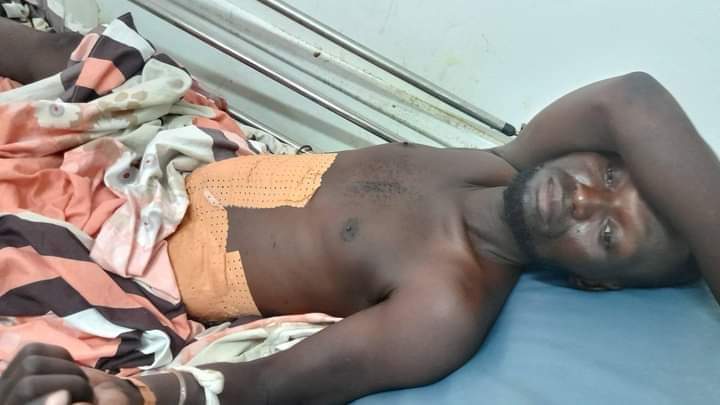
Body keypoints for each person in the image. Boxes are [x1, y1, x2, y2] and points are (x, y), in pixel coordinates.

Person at [1, 17, 718, 405]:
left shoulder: (447, 301)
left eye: (608, 232)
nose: (584, 197)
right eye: (611, 174)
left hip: (144, 255)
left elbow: (274, 383)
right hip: (187, 160)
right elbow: (632, 97)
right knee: (93, 53)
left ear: (593, 280)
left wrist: (132, 399)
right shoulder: (503, 161)